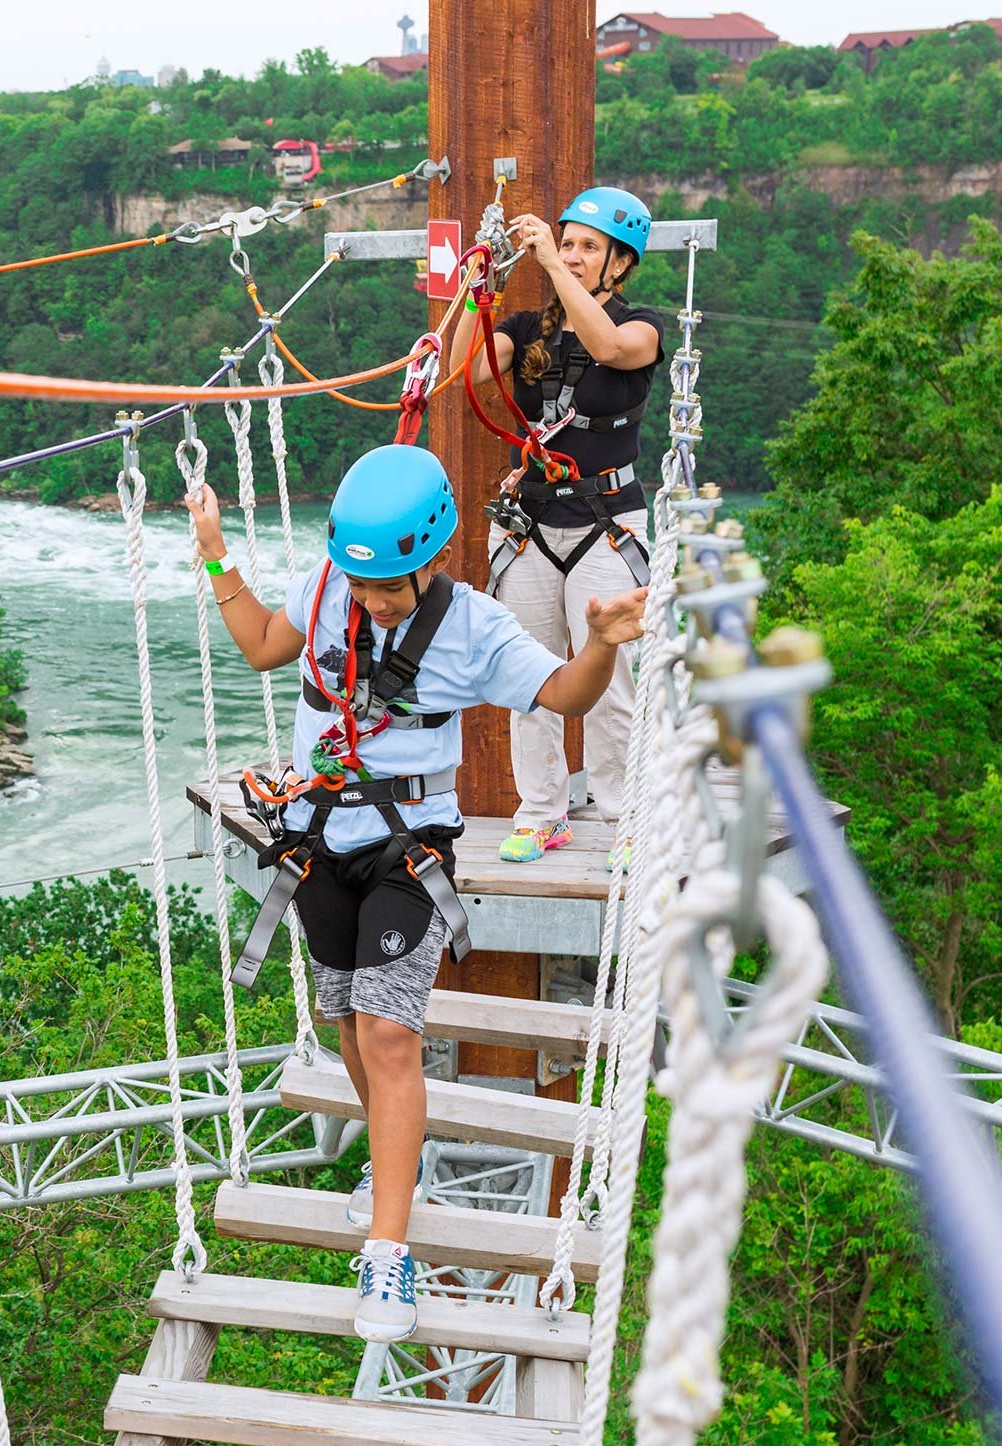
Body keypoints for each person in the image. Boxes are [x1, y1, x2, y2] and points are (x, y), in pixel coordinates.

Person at [188, 444, 645, 1340]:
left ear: (433, 557)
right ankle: (393, 1152)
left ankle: (388, 1259)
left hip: (407, 845)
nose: (373, 601)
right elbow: (261, 649)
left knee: (392, 1034)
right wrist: (215, 553)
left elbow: (563, 695)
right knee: (351, 1024)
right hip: (318, 837)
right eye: (364, 587)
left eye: (391, 587)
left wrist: (597, 641)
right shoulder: (327, 586)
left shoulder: (472, 626)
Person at [476, 186, 664, 863]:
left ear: (619, 262)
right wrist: (480, 290)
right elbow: (468, 369)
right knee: (531, 675)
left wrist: (552, 263)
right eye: (570, 243)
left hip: (606, 520)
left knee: (611, 678)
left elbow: (611, 347)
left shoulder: (644, 324)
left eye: (590, 247)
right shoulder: (529, 329)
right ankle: (542, 810)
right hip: (532, 518)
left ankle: (622, 816)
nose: (576, 256)